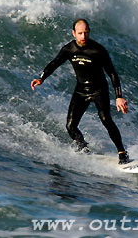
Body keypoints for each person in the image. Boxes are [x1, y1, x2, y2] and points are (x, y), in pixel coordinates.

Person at [31, 19, 131, 164]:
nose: (83, 36)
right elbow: (55, 63)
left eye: (86, 33)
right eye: (80, 33)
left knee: (106, 119)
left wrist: (119, 97)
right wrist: (41, 78)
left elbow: (112, 73)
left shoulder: (98, 50)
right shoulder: (69, 49)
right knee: (70, 126)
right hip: (81, 91)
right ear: (74, 33)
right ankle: (84, 148)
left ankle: (122, 152)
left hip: (99, 90)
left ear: (89, 32)